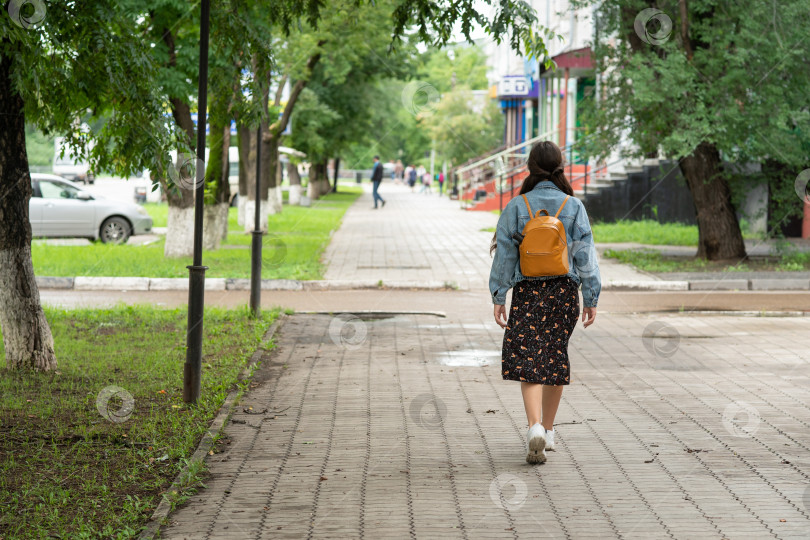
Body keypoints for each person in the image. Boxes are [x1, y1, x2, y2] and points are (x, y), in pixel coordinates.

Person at [489, 140, 601, 465]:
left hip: (528, 292)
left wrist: (499, 295)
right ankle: (548, 432)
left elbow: (505, 257)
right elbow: (585, 256)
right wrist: (591, 296)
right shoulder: (573, 206)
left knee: (529, 359)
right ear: (560, 166)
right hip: (564, 294)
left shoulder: (516, 206)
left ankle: (534, 426)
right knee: (554, 354)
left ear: (530, 167)